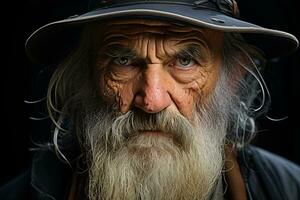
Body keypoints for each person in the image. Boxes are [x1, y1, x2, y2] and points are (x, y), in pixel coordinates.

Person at [1, 0, 300, 199]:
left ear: (232, 75)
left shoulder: (288, 190)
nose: (152, 101)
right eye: (122, 60)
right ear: (85, 75)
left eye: (185, 60)